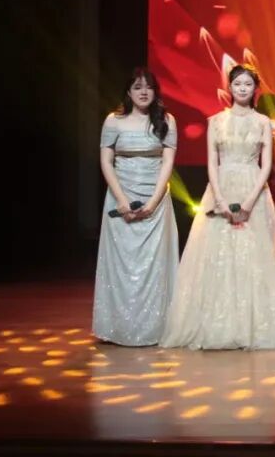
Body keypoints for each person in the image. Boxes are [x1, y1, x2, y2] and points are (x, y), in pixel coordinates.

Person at [160, 64, 275, 349]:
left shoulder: (263, 122)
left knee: (256, 257)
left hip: (255, 189)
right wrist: (219, 198)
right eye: (237, 83)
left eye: (248, 84)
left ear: (255, 89)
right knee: (217, 255)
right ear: (229, 87)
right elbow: (212, 164)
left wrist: (249, 201)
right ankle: (218, 324)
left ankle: (253, 326)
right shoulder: (216, 121)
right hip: (221, 187)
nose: (242, 88)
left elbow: (266, 165)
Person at [93, 68, 179, 346]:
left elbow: (167, 163)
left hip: (156, 201)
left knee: (154, 266)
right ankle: (119, 328)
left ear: (155, 92)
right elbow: (106, 161)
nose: (143, 92)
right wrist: (121, 199)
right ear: (128, 92)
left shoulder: (167, 121)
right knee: (122, 267)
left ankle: (155, 329)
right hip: (120, 199)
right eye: (137, 87)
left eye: (148, 87)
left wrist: (153, 202)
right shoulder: (113, 121)